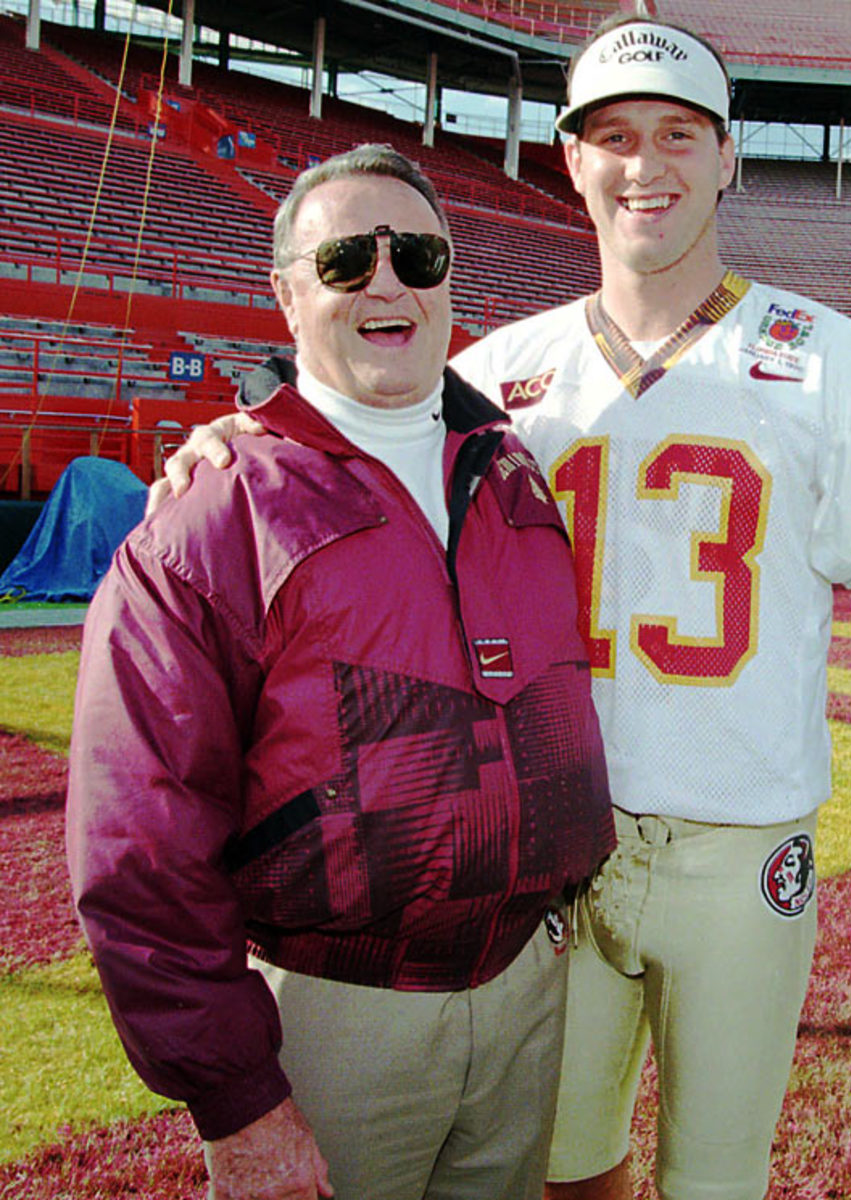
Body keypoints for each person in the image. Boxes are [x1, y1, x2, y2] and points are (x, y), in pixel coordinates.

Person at [158, 17, 851, 1200]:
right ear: (570, 158)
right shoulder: (501, 370)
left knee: (716, 1178)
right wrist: (232, 439)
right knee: (558, 1171)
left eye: (675, 134)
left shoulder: (832, 361)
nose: (643, 164)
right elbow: (341, 429)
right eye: (612, 135)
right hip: (551, 849)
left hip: (738, 849)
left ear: (726, 158)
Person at [66, 143, 615, 1200]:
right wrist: (235, 1094)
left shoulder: (512, 470)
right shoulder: (214, 510)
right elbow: (138, 837)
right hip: (332, 1013)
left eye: (413, 253)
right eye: (344, 262)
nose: (386, 282)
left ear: (450, 280)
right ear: (283, 296)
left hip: (524, 988)